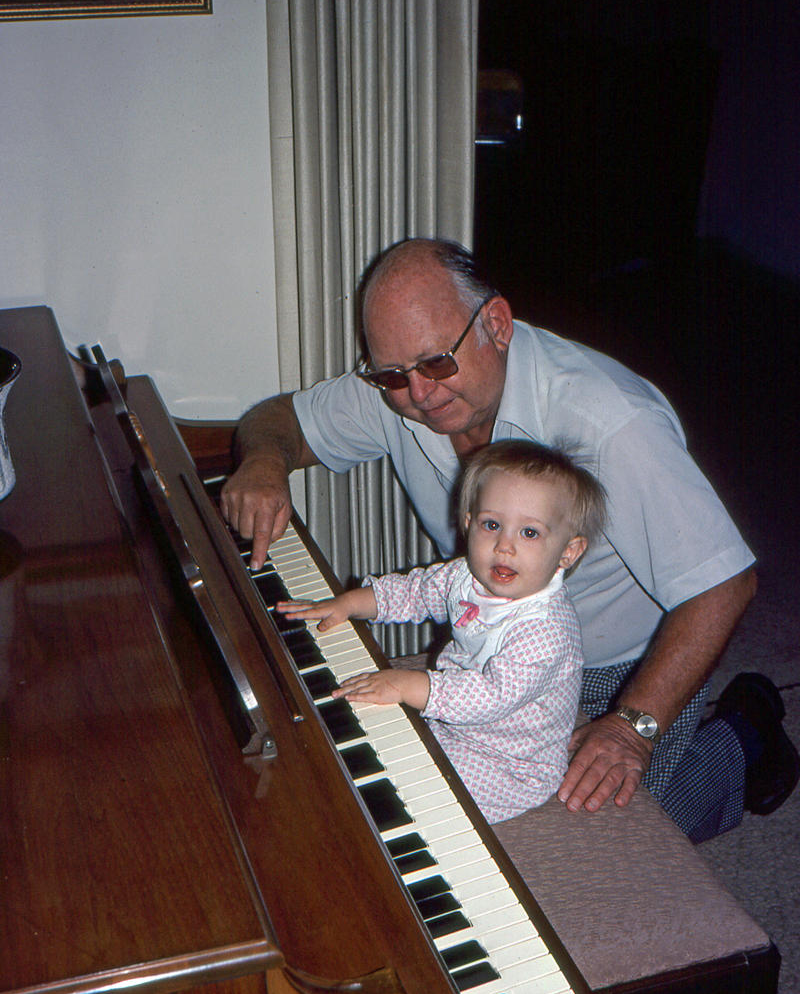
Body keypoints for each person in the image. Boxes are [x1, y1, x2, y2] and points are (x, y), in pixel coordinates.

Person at [221, 237, 799, 842]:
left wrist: (632, 726)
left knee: (614, 844)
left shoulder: (609, 422)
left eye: (437, 362)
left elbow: (726, 583)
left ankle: (744, 731)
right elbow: (277, 419)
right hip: (491, 640)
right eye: (394, 374)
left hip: (624, 666)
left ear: (495, 324)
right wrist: (263, 462)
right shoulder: (398, 393)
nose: (419, 394)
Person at [276, 440, 606, 824]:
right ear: (468, 523)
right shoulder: (465, 575)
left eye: (529, 533)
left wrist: (407, 685)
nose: (505, 546)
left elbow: (490, 697)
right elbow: (415, 592)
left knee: (408, 794)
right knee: (356, 738)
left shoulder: (547, 631)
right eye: (492, 525)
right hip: (449, 719)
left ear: (569, 551)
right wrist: (349, 604)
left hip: (509, 761)